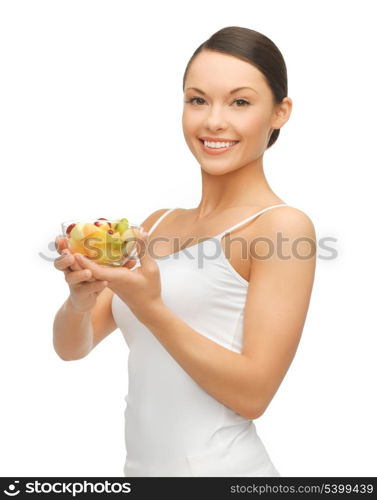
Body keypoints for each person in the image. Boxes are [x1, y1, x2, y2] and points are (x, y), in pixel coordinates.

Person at [53, 26, 316, 477]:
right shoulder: (155, 224)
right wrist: (79, 300)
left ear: (280, 112)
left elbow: (254, 395)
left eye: (240, 101)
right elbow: (70, 348)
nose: (213, 121)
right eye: (198, 100)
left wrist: (150, 306)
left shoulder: (281, 227)